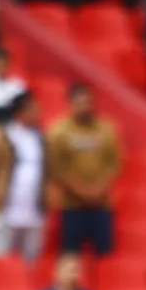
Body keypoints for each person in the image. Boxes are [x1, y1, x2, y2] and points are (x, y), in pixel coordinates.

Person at [46, 84, 121, 257]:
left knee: (105, 257)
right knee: (71, 256)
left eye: (88, 102)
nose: (85, 107)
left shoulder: (106, 130)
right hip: (72, 205)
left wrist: (99, 190)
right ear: (70, 104)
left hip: (102, 205)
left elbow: (114, 164)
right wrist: (81, 191)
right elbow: (56, 167)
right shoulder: (59, 132)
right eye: (80, 103)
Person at [0, 92, 45, 265]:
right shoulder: (1, 136)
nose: (37, 114)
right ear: (21, 112)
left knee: (31, 263)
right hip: (5, 208)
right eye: (33, 110)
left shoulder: (39, 138)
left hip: (33, 209)